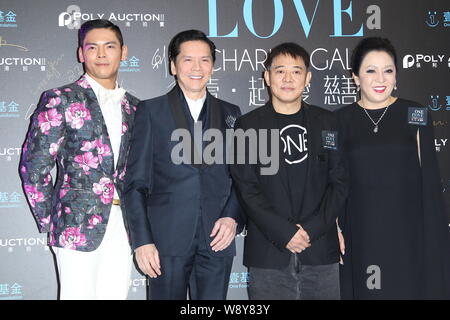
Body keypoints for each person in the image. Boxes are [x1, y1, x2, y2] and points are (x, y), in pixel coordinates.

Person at [19, 19, 140, 300]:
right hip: (74, 225)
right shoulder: (60, 99)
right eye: (92, 47)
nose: (101, 54)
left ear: (123, 52)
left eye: (109, 47)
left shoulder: (136, 107)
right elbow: (33, 167)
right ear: (80, 54)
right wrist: (53, 220)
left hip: (124, 226)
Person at [123, 29, 244, 300]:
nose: (197, 67)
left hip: (217, 239)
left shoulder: (231, 113)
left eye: (205, 60)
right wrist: (142, 241)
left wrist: (232, 216)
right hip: (166, 240)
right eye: (188, 60)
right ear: (173, 66)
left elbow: (242, 177)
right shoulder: (151, 111)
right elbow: (135, 184)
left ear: (213, 66)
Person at [229, 42, 348, 300]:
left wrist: (311, 230)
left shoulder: (328, 123)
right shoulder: (247, 126)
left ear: (308, 78)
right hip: (268, 256)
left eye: (296, 71)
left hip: (320, 253)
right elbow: (247, 189)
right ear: (267, 76)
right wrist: (285, 233)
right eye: (280, 70)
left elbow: (339, 182)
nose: (288, 78)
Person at [337, 37, 450, 299]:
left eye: (388, 70)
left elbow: (431, 183)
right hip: (361, 233)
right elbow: (333, 181)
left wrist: (434, 240)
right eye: (370, 70)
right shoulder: (338, 119)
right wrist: (334, 228)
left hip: (409, 235)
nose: (381, 79)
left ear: (396, 75)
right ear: (355, 77)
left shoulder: (416, 113)